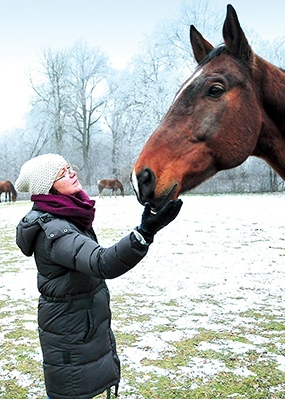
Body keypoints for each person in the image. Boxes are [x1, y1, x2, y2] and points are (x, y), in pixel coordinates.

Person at [14, 154, 182, 399]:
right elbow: (102, 262)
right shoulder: (54, 231)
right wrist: (144, 233)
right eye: (61, 173)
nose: (72, 173)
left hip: (79, 326)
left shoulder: (67, 217)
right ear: (47, 187)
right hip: (71, 334)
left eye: (69, 167)